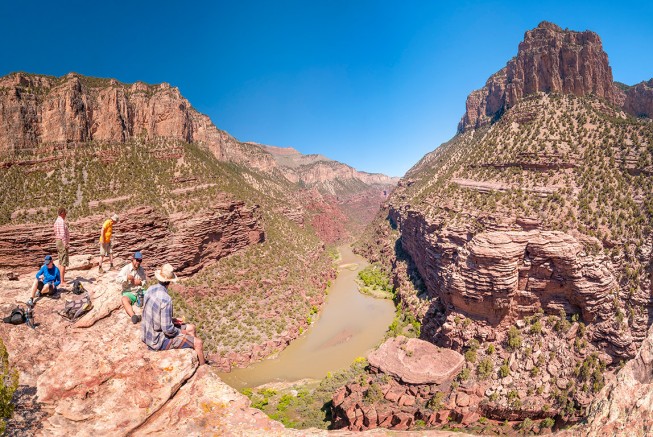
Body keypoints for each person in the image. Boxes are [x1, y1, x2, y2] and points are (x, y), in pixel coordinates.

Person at [141, 263, 206, 365]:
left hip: (146, 334)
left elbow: (151, 313)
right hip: (157, 341)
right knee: (198, 343)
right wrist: (180, 332)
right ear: (169, 282)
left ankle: (194, 356)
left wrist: (172, 320)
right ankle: (203, 368)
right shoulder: (166, 299)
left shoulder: (150, 289)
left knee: (192, 328)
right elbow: (167, 329)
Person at [116, 251, 147, 324]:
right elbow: (117, 279)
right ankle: (133, 316)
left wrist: (140, 283)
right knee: (124, 299)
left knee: (152, 294)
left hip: (140, 291)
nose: (138, 262)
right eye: (137, 260)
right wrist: (126, 277)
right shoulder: (126, 268)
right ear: (132, 259)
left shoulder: (141, 269)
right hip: (129, 292)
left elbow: (145, 282)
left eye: (140, 260)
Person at [53, 207, 70, 284]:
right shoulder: (61, 221)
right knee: (63, 260)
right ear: (62, 213)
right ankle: (62, 281)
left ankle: (60, 279)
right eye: (65, 213)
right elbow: (63, 234)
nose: (66, 215)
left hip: (58, 241)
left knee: (60, 260)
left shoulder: (56, 221)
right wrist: (65, 244)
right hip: (61, 242)